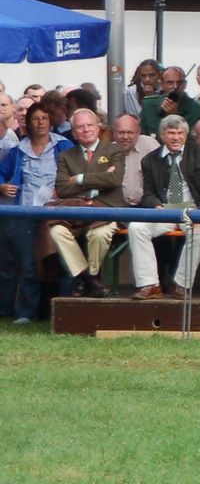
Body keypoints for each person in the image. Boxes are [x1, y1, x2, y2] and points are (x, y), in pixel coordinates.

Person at [127, 115, 200, 300]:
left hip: (194, 210)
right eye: (171, 133)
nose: (176, 137)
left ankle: (181, 284)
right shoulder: (150, 160)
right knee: (136, 228)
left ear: (186, 135)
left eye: (180, 133)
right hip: (166, 211)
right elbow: (148, 194)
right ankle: (150, 285)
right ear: (162, 135)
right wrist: (155, 205)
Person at [0, 103, 71, 322]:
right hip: (26, 212)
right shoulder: (18, 150)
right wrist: (2, 187)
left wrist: (65, 187)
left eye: (44, 118)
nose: (40, 123)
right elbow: (2, 174)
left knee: (61, 260)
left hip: (56, 211)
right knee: (28, 264)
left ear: (51, 122)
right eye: (35, 119)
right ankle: (26, 313)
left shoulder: (64, 145)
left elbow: (75, 172)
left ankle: (64, 311)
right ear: (28, 122)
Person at [49, 109, 125, 296]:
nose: (86, 130)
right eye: (80, 127)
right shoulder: (66, 156)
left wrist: (80, 179)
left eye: (89, 125)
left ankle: (87, 279)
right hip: (77, 212)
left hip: (107, 210)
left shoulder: (115, 149)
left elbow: (114, 180)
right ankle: (90, 278)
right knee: (56, 231)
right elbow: (63, 189)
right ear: (74, 132)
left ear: (98, 127)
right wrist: (101, 179)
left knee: (98, 235)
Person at [110, 113, 160, 206]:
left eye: (130, 132)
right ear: (114, 132)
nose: (125, 137)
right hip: (118, 209)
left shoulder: (150, 146)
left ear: (138, 132)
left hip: (147, 207)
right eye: (121, 132)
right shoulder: (108, 151)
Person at [139, 66, 200, 134]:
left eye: (179, 83)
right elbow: (141, 136)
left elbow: (192, 141)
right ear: (161, 85)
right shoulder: (148, 105)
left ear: (185, 85)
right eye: (170, 83)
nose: (175, 87)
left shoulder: (197, 111)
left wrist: (175, 118)